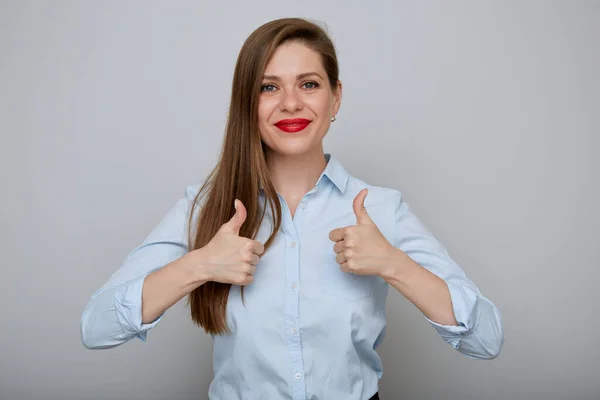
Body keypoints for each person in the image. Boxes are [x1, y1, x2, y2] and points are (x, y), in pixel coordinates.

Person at [80, 17, 504, 400]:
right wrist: (199, 264)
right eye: (269, 87)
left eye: (308, 84)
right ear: (248, 103)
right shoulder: (206, 205)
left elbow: (486, 339)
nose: (290, 103)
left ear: (335, 99)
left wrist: (395, 264)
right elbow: (96, 328)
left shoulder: (381, 209)